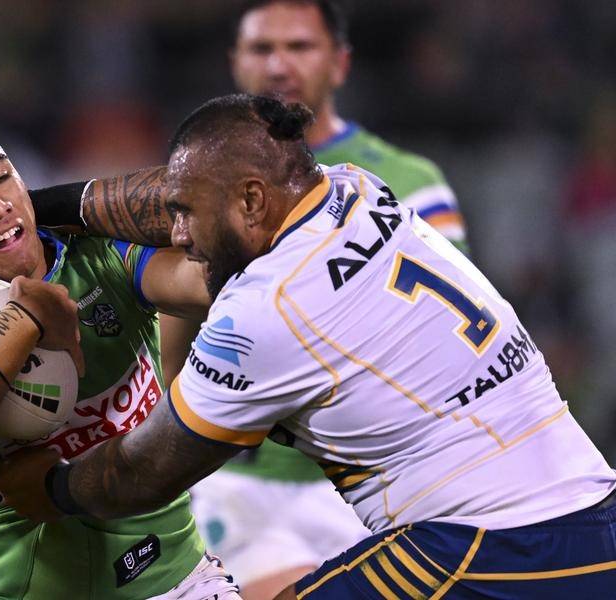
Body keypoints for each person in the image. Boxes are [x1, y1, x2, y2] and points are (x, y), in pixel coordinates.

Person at [0, 94, 616, 599]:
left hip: (495, 544)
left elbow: (142, 473)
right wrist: (35, 212)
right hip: (590, 510)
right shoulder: (354, 189)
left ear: (252, 200)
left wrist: (50, 487)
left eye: (187, 214)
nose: (178, 232)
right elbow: (182, 193)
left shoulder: (266, 314)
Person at [0, 113, 241, 600]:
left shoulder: (101, 255)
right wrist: (23, 320)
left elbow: (222, 221)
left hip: (182, 583)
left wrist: (63, 205)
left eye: (1, 178)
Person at [175, 2, 468, 596]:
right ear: (235, 62)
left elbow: (438, 341)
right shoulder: (203, 178)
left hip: (374, 480)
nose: (278, 65)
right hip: (241, 480)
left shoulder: (413, 183)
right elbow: (176, 318)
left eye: (300, 47)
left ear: (340, 63)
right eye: (261, 49)